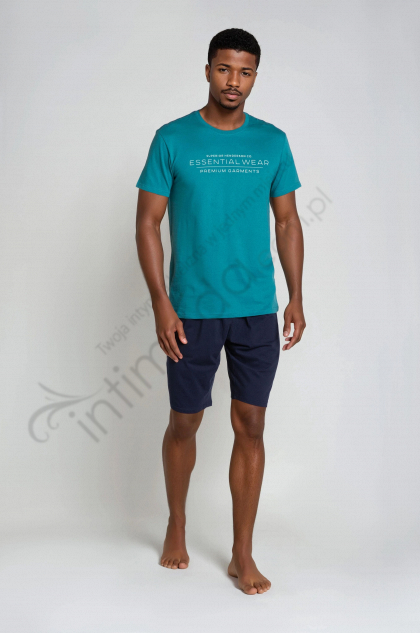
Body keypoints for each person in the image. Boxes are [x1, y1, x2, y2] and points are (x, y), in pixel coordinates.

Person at [135, 27, 305, 595]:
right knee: (185, 423)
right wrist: (161, 303)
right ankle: (176, 523)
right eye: (225, 69)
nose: (235, 81)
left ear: (255, 76)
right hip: (192, 310)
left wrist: (296, 296)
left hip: (256, 309)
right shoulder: (172, 138)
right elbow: (147, 223)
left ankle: (242, 552)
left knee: (251, 425)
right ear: (208, 70)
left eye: (246, 71)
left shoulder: (273, 141)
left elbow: (287, 221)